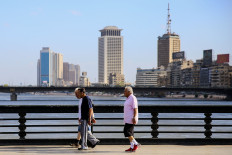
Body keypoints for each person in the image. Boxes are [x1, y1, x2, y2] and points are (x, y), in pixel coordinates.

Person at [123, 86, 140, 152]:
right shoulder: (128, 98)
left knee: (126, 132)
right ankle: (132, 147)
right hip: (127, 118)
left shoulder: (133, 98)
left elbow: (135, 108)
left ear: (129, 92)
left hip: (131, 119)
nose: (124, 92)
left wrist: (134, 117)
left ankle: (136, 143)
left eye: (125, 91)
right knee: (130, 133)